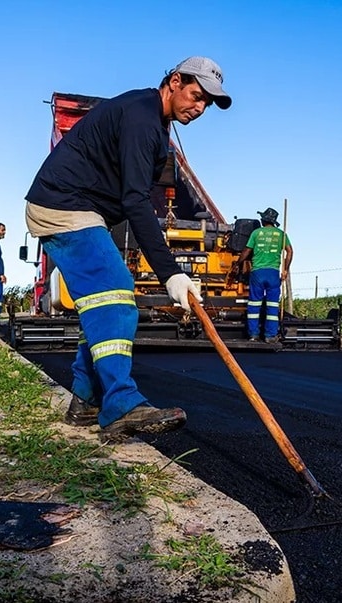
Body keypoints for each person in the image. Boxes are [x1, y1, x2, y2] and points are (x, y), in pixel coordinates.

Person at [24, 56, 232, 443]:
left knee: (102, 303)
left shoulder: (155, 124)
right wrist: (170, 273)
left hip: (83, 208)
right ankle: (120, 404)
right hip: (63, 204)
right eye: (196, 95)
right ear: (174, 81)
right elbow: (136, 201)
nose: (200, 107)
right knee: (118, 293)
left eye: (207, 103)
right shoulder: (142, 119)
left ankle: (86, 399)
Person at [238, 207, 293, 343]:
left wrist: (238, 263)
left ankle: (253, 335)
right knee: (272, 306)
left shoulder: (256, 233)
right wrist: (285, 269)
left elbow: (246, 250)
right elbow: (290, 251)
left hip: (258, 273)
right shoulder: (281, 234)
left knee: (254, 305)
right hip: (273, 273)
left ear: (263, 220)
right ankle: (270, 336)